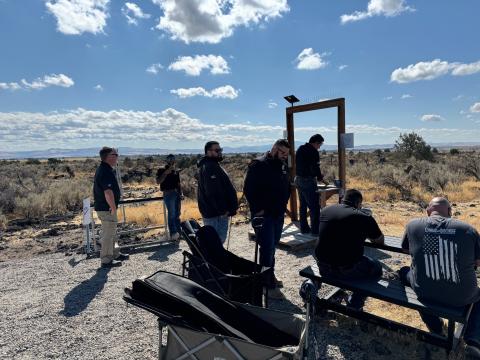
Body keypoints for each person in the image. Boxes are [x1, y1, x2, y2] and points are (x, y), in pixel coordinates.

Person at [399, 197, 480, 357]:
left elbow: (406, 250)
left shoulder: (413, 225)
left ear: (428, 211)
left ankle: (436, 328)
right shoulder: (468, 230)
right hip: (462, 296)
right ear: (450, 212)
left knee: (404, 273)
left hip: (424, 291)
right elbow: (478, 261)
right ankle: (473, 341)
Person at [315, 189, 384, 310]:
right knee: (377, 268)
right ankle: (356, 301)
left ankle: (312, 284)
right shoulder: (364, 217)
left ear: (342, 200)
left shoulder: (325, 210)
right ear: (359, 204)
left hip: (323, 267)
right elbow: (379, 241)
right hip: (348, 270)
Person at [244, 139, 291, 292]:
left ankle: (269, 274)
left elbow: (286, 186)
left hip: (278, 214)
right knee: (267, 248)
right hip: (264, 216)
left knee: (273, 246)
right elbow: (249, 190)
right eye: (283, 153)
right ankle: (267, 284)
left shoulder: (282, 165)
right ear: (274, 149)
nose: (285, 156)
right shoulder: (258, 164)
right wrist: (258, 210)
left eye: (287, 154)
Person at [93, 147, 129, 268]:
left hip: (106, 208)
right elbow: (108, 192)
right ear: (109, 157)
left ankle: (114, 254)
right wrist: (113, 207)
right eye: (115, 154)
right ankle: (106, 260)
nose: (117, 156)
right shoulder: (105, 171)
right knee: (108, 234)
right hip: (106, 208)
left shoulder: (105, 169)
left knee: (112, 232)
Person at [197, 141, 238, 243]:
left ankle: (212, 258)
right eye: (217, 150)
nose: (220, 152)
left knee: (215, 243)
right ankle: (211, 259)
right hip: (216, 214)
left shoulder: (211, 165)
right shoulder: (209, 167)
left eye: (220, 150)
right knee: (216, 242)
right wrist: (223, 211)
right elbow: (213, 192)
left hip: (215, 213)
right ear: (208, 152)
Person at [295, 134, 328, 235]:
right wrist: (320, 177)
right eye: (320, 145)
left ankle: (304, 229)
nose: (319, 147)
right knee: (314, 206)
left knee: (303, 205)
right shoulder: (313, 152)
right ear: (316, 142)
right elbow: (316, 168)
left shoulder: (300, 148)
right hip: (308, 180)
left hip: (298, 179)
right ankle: (315, 230)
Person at [156, 154, 182, 240]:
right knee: (172, 214)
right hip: (168, 193)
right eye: (170, 159)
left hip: (176, 193)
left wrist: (181, 193)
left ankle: (179, 233)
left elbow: (178, 184)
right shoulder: (161, 170)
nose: (171, 161)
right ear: (166, 161)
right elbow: (158, 181)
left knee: (177, 214)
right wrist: (165, 173)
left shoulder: (176, 171)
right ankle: (173, 233)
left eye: (173, 159)